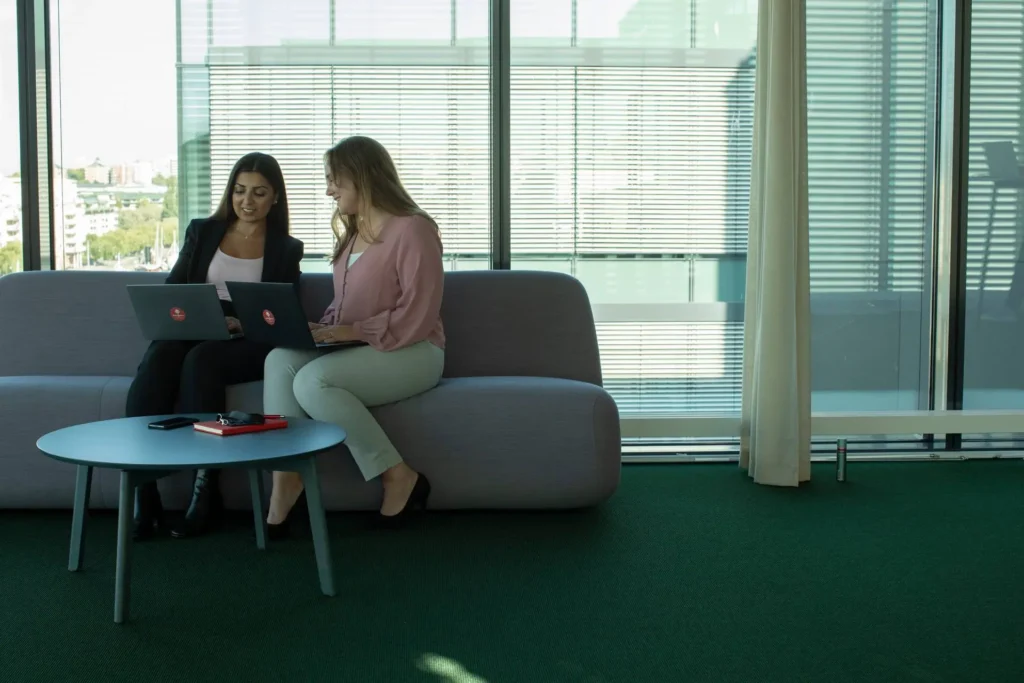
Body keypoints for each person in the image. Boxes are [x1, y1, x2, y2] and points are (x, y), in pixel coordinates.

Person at [262, 135, 445, 536]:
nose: (329, 190)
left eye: (335, 181)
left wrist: (350, 330)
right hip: (363, 345)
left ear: (362, 178)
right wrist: (322, 329)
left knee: (313, 381)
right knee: (279, 359)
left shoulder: (414, 229)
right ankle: (286, 476)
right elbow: (347, 305)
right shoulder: (353, 233)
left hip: (414, 350)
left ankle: (398, 475)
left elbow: (419, 312)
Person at [126, 152, 304, 541]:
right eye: (240, 191)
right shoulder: (203, 231)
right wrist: (200, 315)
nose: (247, 201)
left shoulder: (287, 248)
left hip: (249, 339)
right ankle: (145, 493)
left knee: (201, 361)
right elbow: (175, 287)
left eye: (259, 193)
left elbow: (284, 310)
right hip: (197, 324)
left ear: (275, 198)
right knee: (159, 358)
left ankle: (204, 492)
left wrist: (243, 320)